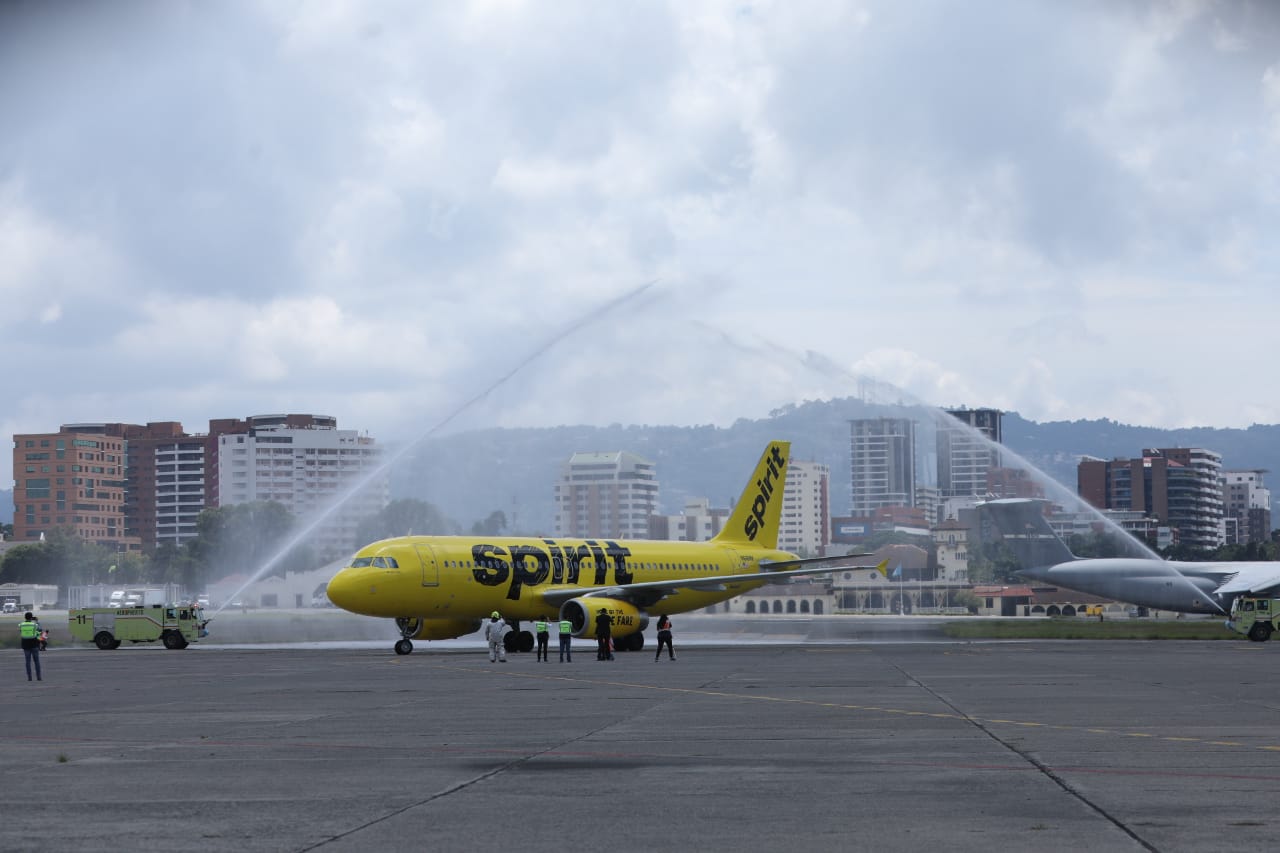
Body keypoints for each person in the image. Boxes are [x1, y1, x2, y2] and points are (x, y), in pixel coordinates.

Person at [20, 611, 42, 682]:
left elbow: (21, 632)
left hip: (25, 645)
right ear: (31, 617)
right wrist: (37, 621)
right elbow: (40, 631)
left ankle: (29, 678)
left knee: (27, 662)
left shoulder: (21, 625)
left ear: (25, 617)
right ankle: (39, 677)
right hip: (34, 644)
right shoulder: (34, 625)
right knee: (36, 661)